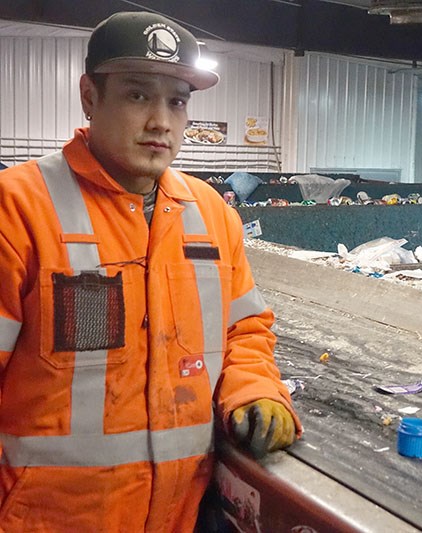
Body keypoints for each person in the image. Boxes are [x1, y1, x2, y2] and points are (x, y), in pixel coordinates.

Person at [0, 11, 301, 531]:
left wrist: (253, 387)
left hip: (177, 516)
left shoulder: (210, 215)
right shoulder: (19, 209)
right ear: (90, 97)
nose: (162, 120)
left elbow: (243, 329)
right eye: (138, 95)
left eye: (177, 101)